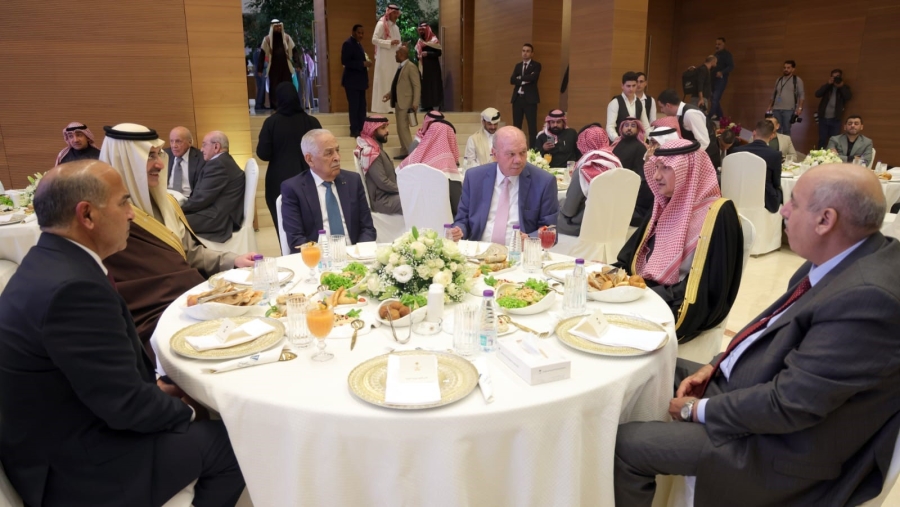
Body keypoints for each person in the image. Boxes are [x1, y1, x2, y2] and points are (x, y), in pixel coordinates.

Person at [614, 163, 900, 507]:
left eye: (794, 203)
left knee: (627, 446)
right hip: (757, 389)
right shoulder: (845, 256)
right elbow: (768, 329)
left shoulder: (868, 298)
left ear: (825, 220)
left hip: (781, 448)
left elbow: (789, 405)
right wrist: (716, 364)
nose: (783, 210)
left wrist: (696, 410)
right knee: (639, 367)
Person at [0, 159, 246, 507]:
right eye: (123, 203)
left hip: (64, 432)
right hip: (77, 470)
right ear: (87, 215)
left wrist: (156, 390)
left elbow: (99, 381)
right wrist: (189, 411)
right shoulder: (73, 290)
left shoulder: (48, 261)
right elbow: (125, 407)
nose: (131, 215)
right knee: (233, 443)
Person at [100, 123, 256, 350]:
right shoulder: (106, 220)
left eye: (158, 155)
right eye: (150, 156)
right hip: (151, 320)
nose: (160, 164)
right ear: (126, 161)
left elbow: (189, 252)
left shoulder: (167, 204)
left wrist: (233, 260)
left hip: (189, 299)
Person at [614, 139, 743, 342]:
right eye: (656, 167)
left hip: (683, 304)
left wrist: (646, 294)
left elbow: (710, 288)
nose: (656, 176)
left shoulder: (718, 213)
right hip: (645, 292)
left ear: (689, 171)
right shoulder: (663, 204)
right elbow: (630, 258)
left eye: (666, 168)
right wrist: (608, 274)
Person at [448, 126, 558, 242]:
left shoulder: (543, 182)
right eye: (511, 154)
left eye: (523, 153)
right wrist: (458, 231)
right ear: (494, 154)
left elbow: (550, 229)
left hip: (519, 250)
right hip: (480, 249)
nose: (518, 160)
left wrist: (529, 239)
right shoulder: (475, 178)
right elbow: (462, 220)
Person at [281, 129, 376, 249]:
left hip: (355, 253)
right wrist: (323, 256)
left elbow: (368, 228)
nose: (337, 157)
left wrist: (359, 251)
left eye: (337, 150)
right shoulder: (294, 188)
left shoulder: (353, 181)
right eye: (329, 153)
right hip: (318, 256)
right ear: (310, 159)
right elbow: (296, 238)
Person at [257, 81, 323, 237]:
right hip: (310, 177)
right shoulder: (311, 122)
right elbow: (322, 150)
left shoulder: (271, 123)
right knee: (312, 224)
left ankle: (288, 251)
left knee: (284, 226)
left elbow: (263, 154)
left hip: (279, 180)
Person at [180, 131, 245, 242]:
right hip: (215, 213)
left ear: (216, 147)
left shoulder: (218, 165)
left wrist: (178, 209)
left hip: (217, 219)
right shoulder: (223, 161)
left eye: (204, 145)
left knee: (170, 222)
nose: (201, 149)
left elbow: (201, 199)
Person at [398, 115, 463, 215]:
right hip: (443, 219)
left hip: (418, 217)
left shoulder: (413, 160)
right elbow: (458, 207)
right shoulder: (448, 167)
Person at [558, 148, 622, 237]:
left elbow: (568, 211)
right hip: (612, 224)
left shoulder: (583, 171)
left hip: (585, 225)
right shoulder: (616, 166)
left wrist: (560, 202)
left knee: (550, 215)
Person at [658, 88, 720, 169]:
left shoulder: (690, 113)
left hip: (708, 159)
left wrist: (686, 159)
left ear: (668, 105)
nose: (661, 111)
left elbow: (704, 142)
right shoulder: (679, 114)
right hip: (696, 158)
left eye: (661, 107)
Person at [731, 120, 783, 212]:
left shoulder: (736, 150)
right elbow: (776, 182)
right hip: (764, 200)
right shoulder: (775, 155)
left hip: (738, 194)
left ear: (754, 133)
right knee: (783, 193)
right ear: (771, 136)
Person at [356, 115, 401, 215]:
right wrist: (403, 189)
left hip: (390, 195)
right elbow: (383, 182)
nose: (387, 131)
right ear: (373, 131)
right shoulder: (371, 152)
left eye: (386, 127)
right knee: (415, 200)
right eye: (383, 128)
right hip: (383, 200)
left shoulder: (376, 149)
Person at [382, 44, 420, 160]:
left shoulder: (411, 67)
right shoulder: (401, 67)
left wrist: (415, 103)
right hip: (398, 103)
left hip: (406, 103)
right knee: (400, 128)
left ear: (402, 54)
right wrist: (389, 94)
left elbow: (417, 86)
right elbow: (398, 85)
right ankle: (404, 151)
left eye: (396, 53)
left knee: (403, 128)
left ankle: (412, 154)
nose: (395, 56)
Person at [611, 118, 651, 225]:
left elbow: (640, 174)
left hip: (628, 188)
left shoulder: (640, 147)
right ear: (621, 128)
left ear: (638, 129)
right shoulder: (616, 144)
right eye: (626, 125)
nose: (629, 128)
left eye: (633, 126)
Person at [256, 19, 296, 110]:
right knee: (274, 87)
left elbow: (294, 50)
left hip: (285, 67)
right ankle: (276, 107)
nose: (278, 28)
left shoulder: (287, 37)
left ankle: (288, 105)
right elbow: (262, 54)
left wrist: (297, 64)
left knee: (287, 86)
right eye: (276, 27)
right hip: (273, 68)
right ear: (272, 27)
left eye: (279, 26)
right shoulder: (267, 39)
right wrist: (260, 69)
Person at [341, 24, 373, 138]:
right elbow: (345, 61)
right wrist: (362, 64)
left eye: (362, 33)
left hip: (360, 82)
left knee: (362, 106)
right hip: (352, 82)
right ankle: (354, 129)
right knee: (354, 107)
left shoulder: (359, 44)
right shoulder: (348, 44)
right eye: (359, 33)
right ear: (353, 32)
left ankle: (361, 128)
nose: (361, 35)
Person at [371, 4, 402, 114]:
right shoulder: (381, 24)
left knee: (393, 81)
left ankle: (392, 107)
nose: (396, 16)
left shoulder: (396, 27)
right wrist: (389, 43)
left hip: (394, 59)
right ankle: (382, 108)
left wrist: (401, 46)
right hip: (384, 58)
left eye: (397, 14)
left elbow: (398, 42)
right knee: (384, 80)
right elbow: (374, 40)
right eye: (394, 13)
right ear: (389, 13)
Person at [510, 43, 541, 147]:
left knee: (532, 127)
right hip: (517, 99)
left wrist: (520, 78)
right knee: (516, 126)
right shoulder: (518, 66)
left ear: (532, 53)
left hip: (530, 100)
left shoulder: (536, 65)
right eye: (523, 51)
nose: (525, 53)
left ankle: (532, 150)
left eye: (528, 51)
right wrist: (525, 79)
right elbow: (512, 80)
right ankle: (516, 147)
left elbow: (533, 78)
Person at [607, 71, 651, 142]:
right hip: (618, 142)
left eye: (634, 86)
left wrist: (652, 138)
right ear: (622, 86)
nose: (631, 89)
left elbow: (646, 127)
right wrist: (617, 139)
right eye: (628, 86)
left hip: (635, 142)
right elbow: (610, 127)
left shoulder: (639, 103)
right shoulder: (615, 102)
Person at [815, 68, 852, 149]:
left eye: (837, 77)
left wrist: (841, 87)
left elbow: (848, 96)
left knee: (834, 141)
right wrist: (828, 84)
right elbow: (817, 94)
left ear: (841, 77)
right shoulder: (828, 87)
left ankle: (831, 156)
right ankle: (819, 155)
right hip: (823, 118)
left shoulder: (844, 87)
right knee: (822, 140)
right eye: (833, 77)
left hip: (835, 119)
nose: (835, 79)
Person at [164, 126, 204, 200]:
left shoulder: (202, 158)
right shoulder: (164, 155)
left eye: (178, 141)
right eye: (171, 141)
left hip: (189, 199)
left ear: (190, 142)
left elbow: (202, 190)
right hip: (167, 198)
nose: (174, 145)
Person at [768, 60, 804, 136]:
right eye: (784, 67)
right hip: (776, 108)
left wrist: (800, 108)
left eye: (788, 68)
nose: (786, 69)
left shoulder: (797, 80)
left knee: (786, 129)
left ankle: (786, 144)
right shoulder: (779, 79)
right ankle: (777, 143)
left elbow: (801, 94)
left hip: (788, 109)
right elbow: (774, 94)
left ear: (793, 69)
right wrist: (770, 106)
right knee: (776, 129)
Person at [416, 22, 443, 111]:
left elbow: (439, 53)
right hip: (424, 69)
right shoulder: (420, 42)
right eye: (420, 30)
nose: (421, 32)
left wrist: (428, 53)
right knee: (425, 87)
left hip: (433, 68)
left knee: (434, 86)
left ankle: (436, 106)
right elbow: (416, 53)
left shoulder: (434, 40)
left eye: (422, 30)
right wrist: (418, 56)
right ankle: (426, 106)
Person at [710, 37, 734, 120]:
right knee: (713, 98)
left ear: (723, 44)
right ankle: (720, 117)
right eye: (716, 44)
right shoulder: (715, 55)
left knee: (715, 98)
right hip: (713, 79)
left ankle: (709, 116)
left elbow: (731, 66)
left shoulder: (727, 55)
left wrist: (722, 72)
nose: (717, 46)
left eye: (719, 44)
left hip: (721, 79)